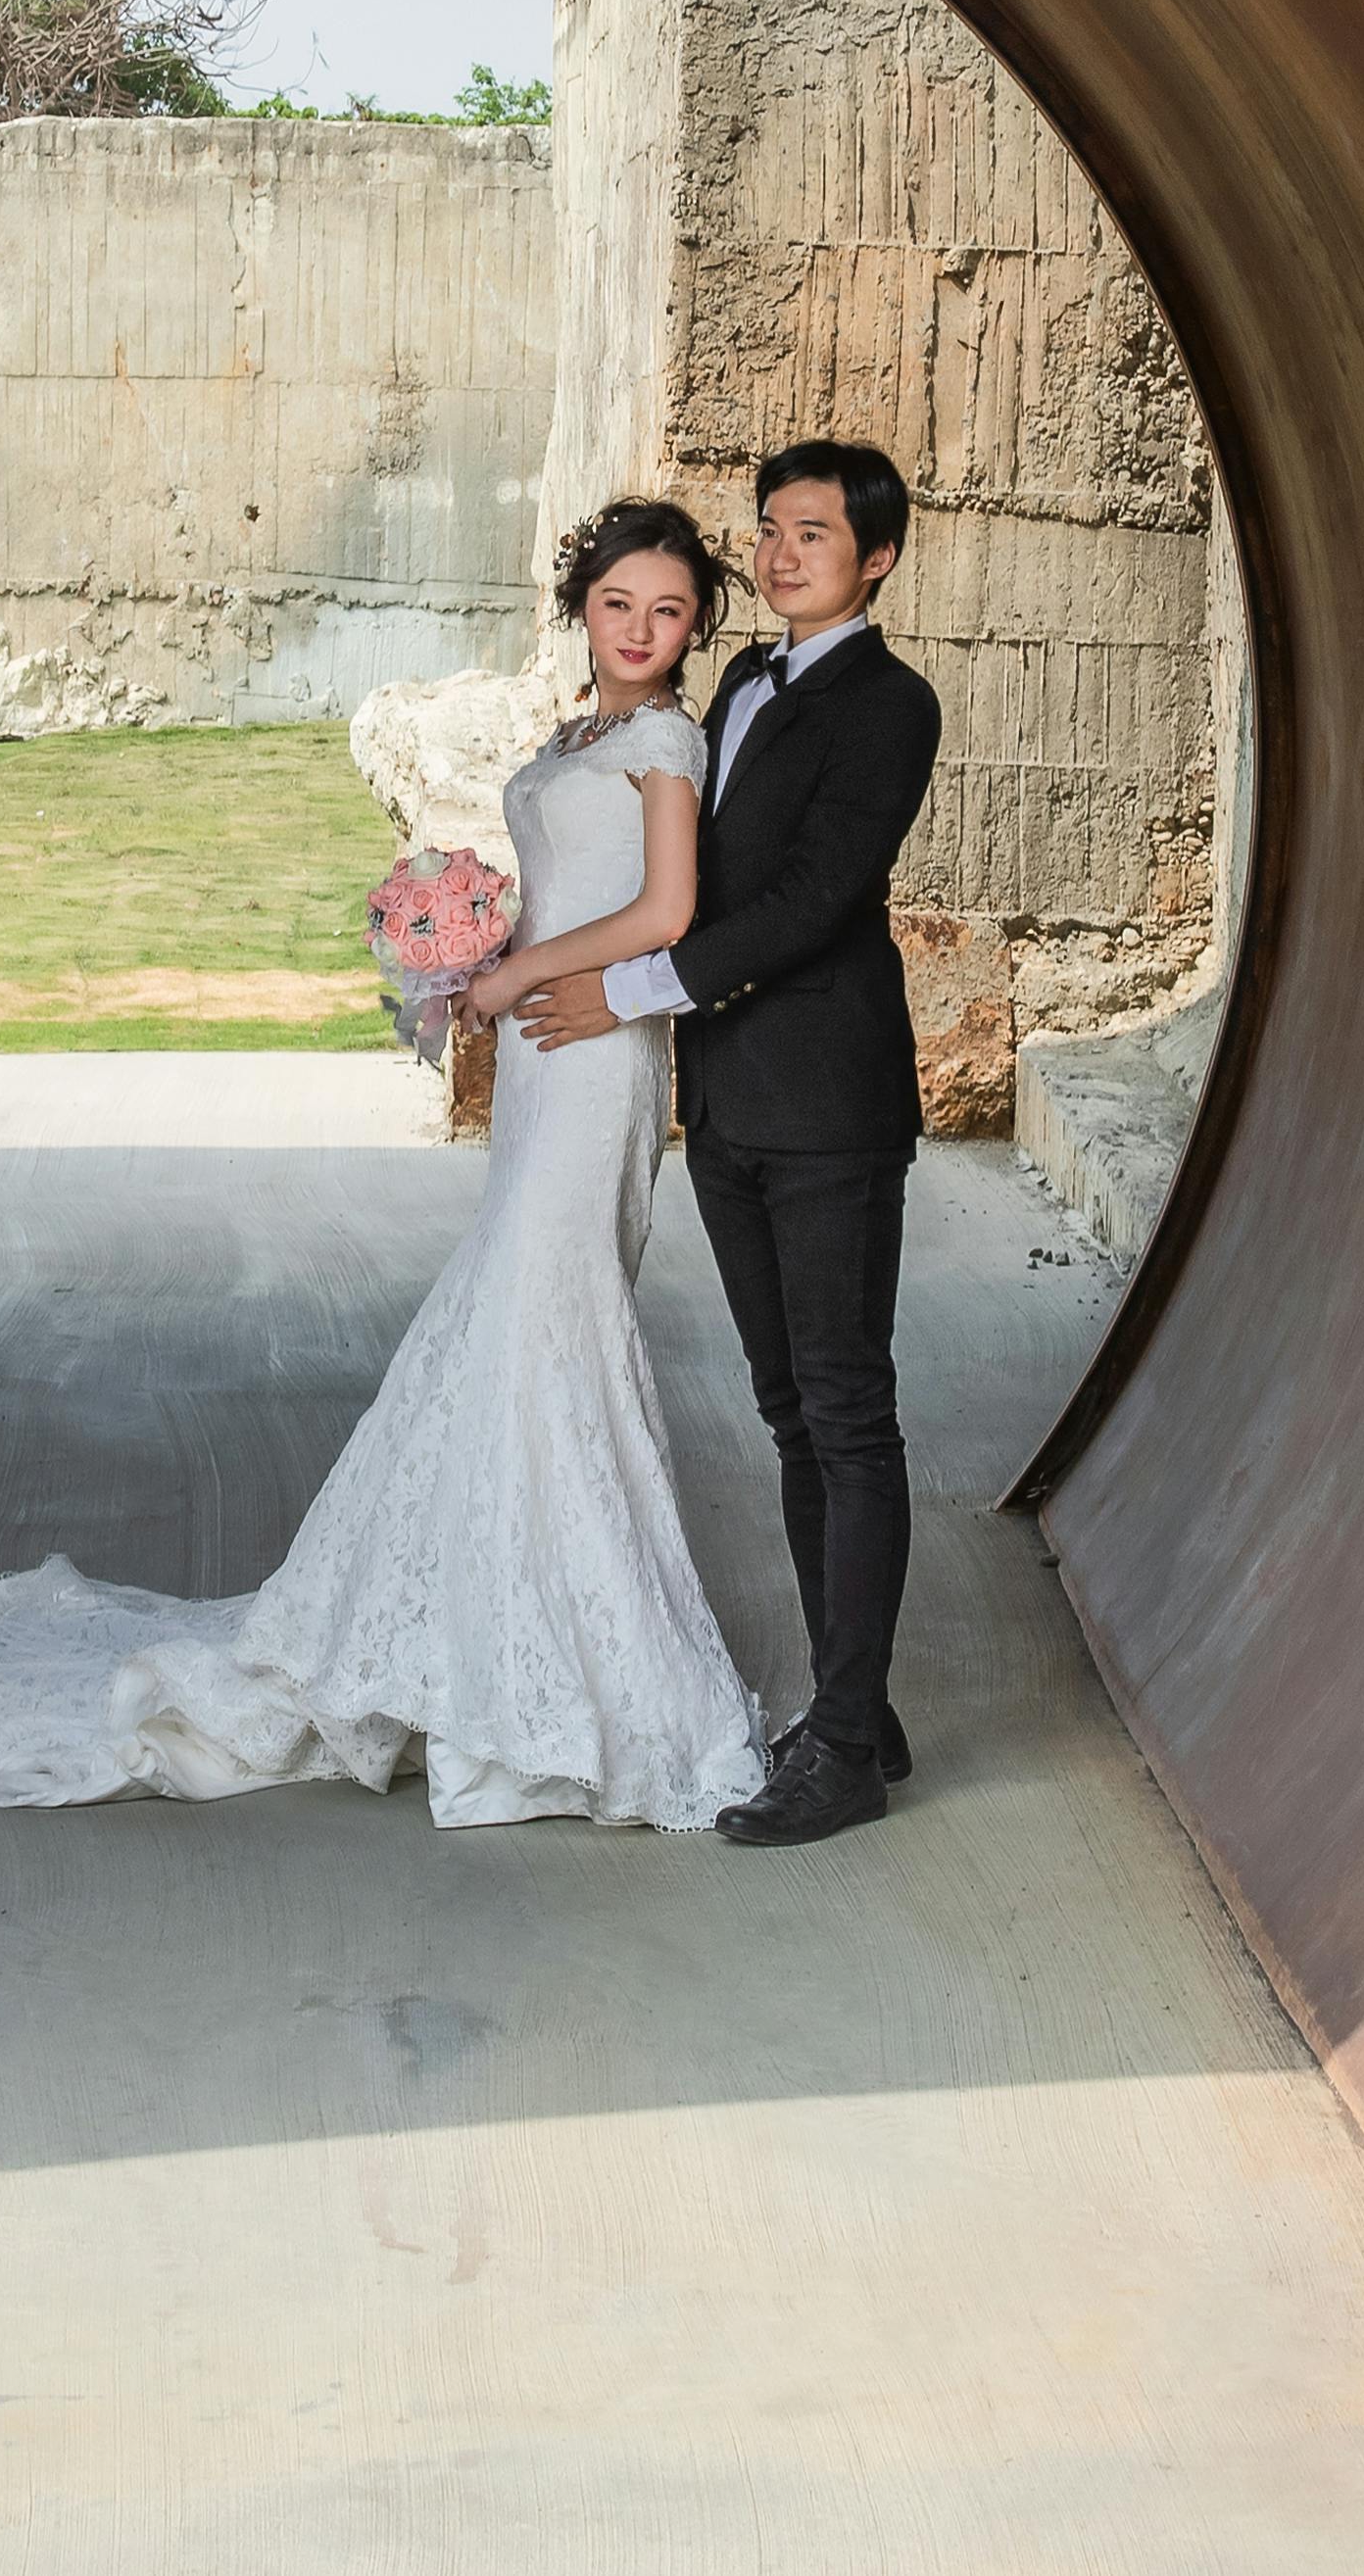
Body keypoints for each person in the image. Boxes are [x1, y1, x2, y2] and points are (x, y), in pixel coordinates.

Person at [0, 501, 768, 1831]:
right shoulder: (575, 736)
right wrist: (466, 943)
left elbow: (667, 912)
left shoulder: (667, 738)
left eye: (670, 611)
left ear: (695, 623)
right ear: (582, 605)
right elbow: (573, 885)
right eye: (620, 604)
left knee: (550, 1323)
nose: (644, 630)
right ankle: (479, 1629)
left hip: (595, 1050)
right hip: (544, 1055)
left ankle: (582, 1677)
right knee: (510, 1330)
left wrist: (517, 970)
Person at [509, 440, 942, 1850]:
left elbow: (815, 898)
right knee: (786, 1408)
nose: (781, 549)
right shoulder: (741, 683)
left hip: (832, 1105)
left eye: (814, 531)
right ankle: (852, 1705)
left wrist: (626, 988)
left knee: (848, 1405)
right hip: (732, 1102)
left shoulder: (891, 705)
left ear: (874, 557)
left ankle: (847, 1747)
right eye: (769, 527)